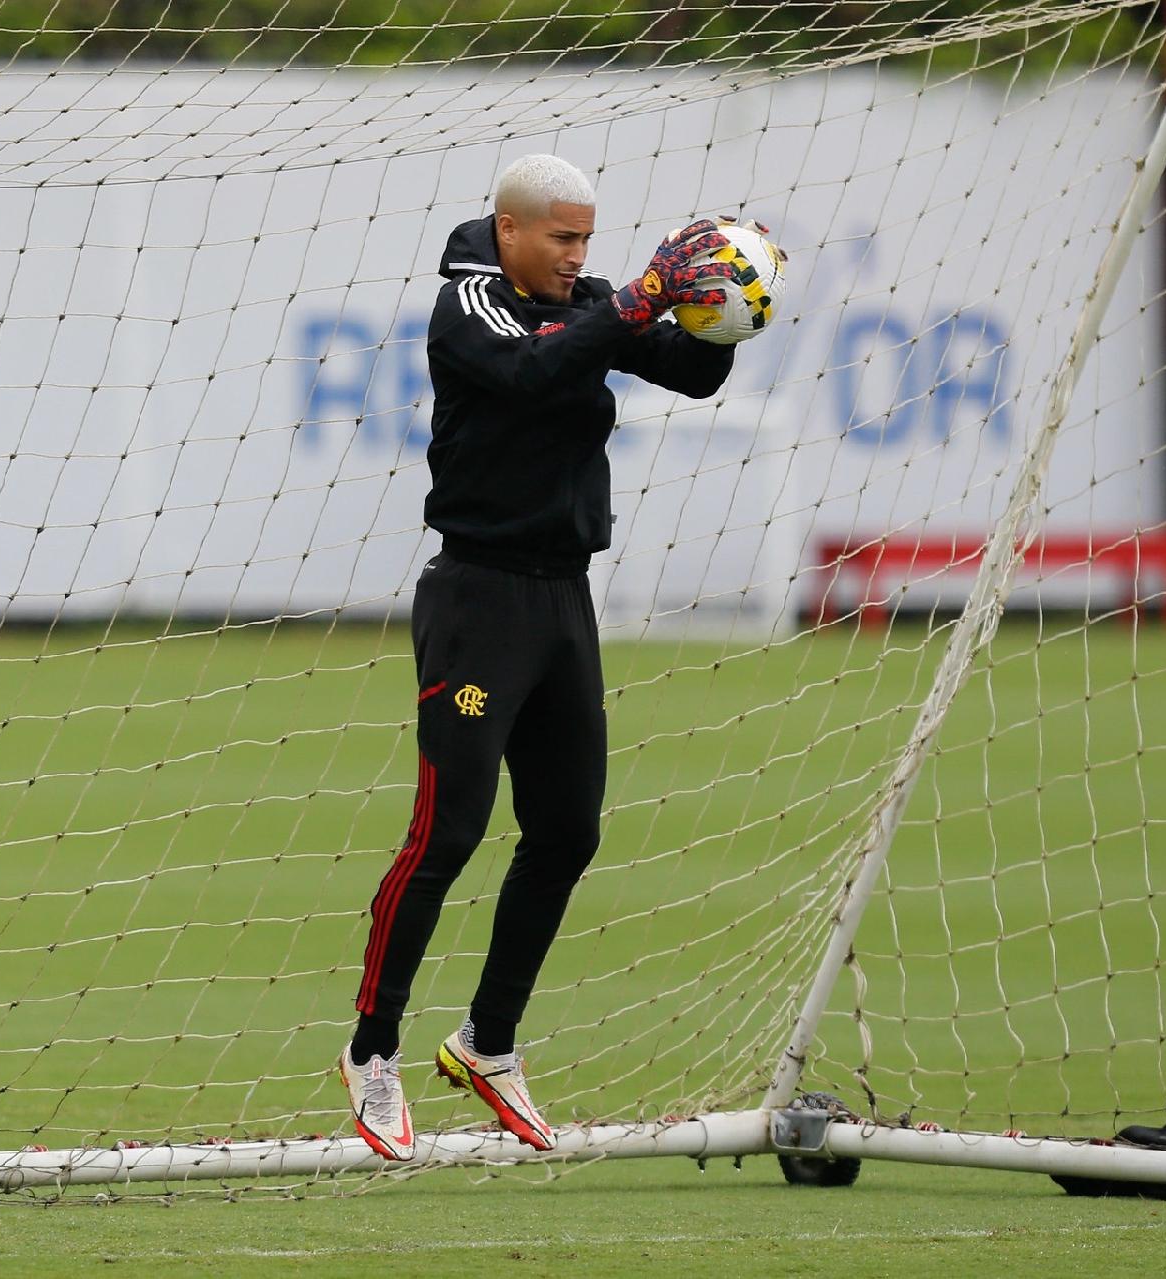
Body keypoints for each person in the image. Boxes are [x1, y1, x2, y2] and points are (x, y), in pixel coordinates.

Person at [336, 153, 752, 1161]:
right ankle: (372, 1050)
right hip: (477, 598)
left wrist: (728, 305)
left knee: (567, 830)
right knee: (449, 831)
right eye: (563, 238)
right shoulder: (467, 307)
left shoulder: (590, 299)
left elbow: (691, 369)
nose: (579, 256)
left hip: (563, 599)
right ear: (511, 231)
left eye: (587, 239)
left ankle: (488, 1042)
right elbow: (533, 365)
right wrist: (636, 300)